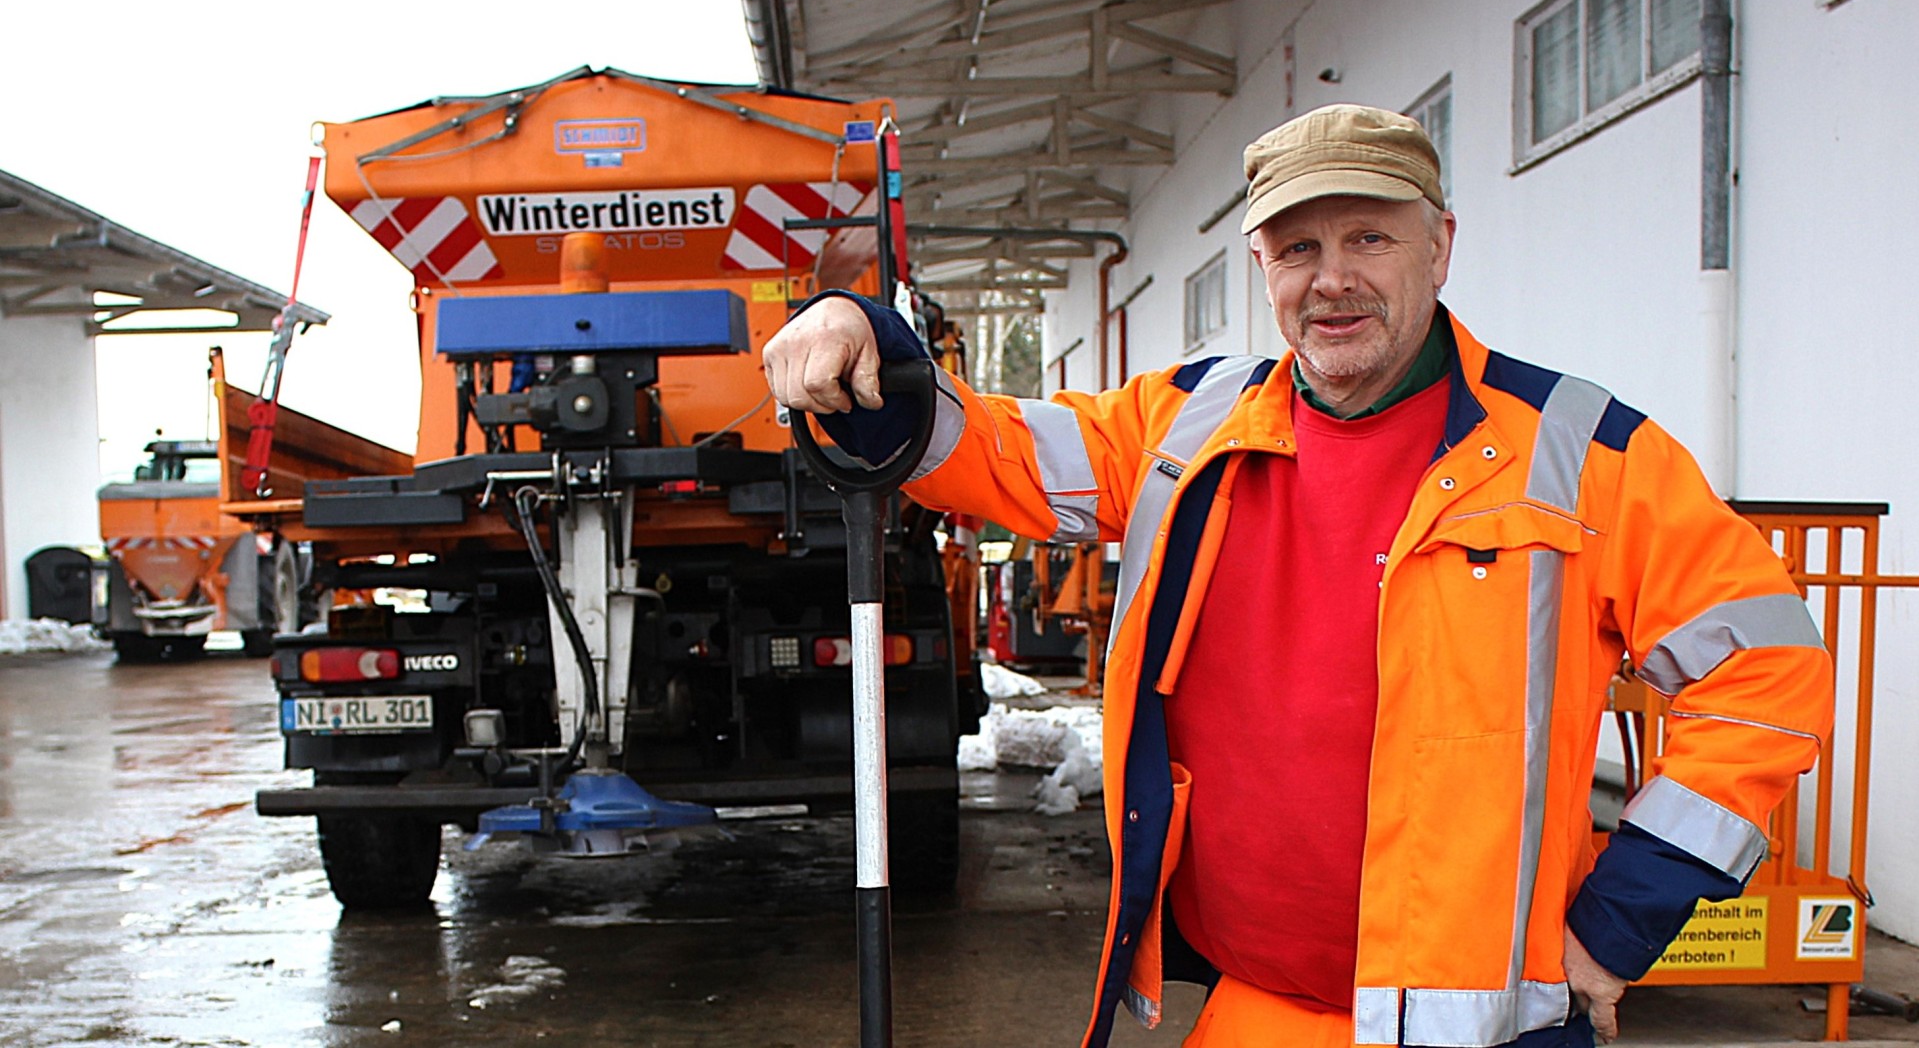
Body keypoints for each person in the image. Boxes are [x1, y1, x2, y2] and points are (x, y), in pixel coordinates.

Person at [762, 104, 1833, 1048]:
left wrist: (1619, 920)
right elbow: (989, 453)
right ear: (1262, 268)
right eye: (1295, 247)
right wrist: (865, 341)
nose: (1331, 279)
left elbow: (1766, 677)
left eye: (1370, 236)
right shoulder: (1186, 423)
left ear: (1439, 245)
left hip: (1480, 1026)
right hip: (1255, 1004)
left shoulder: (1583, 453)